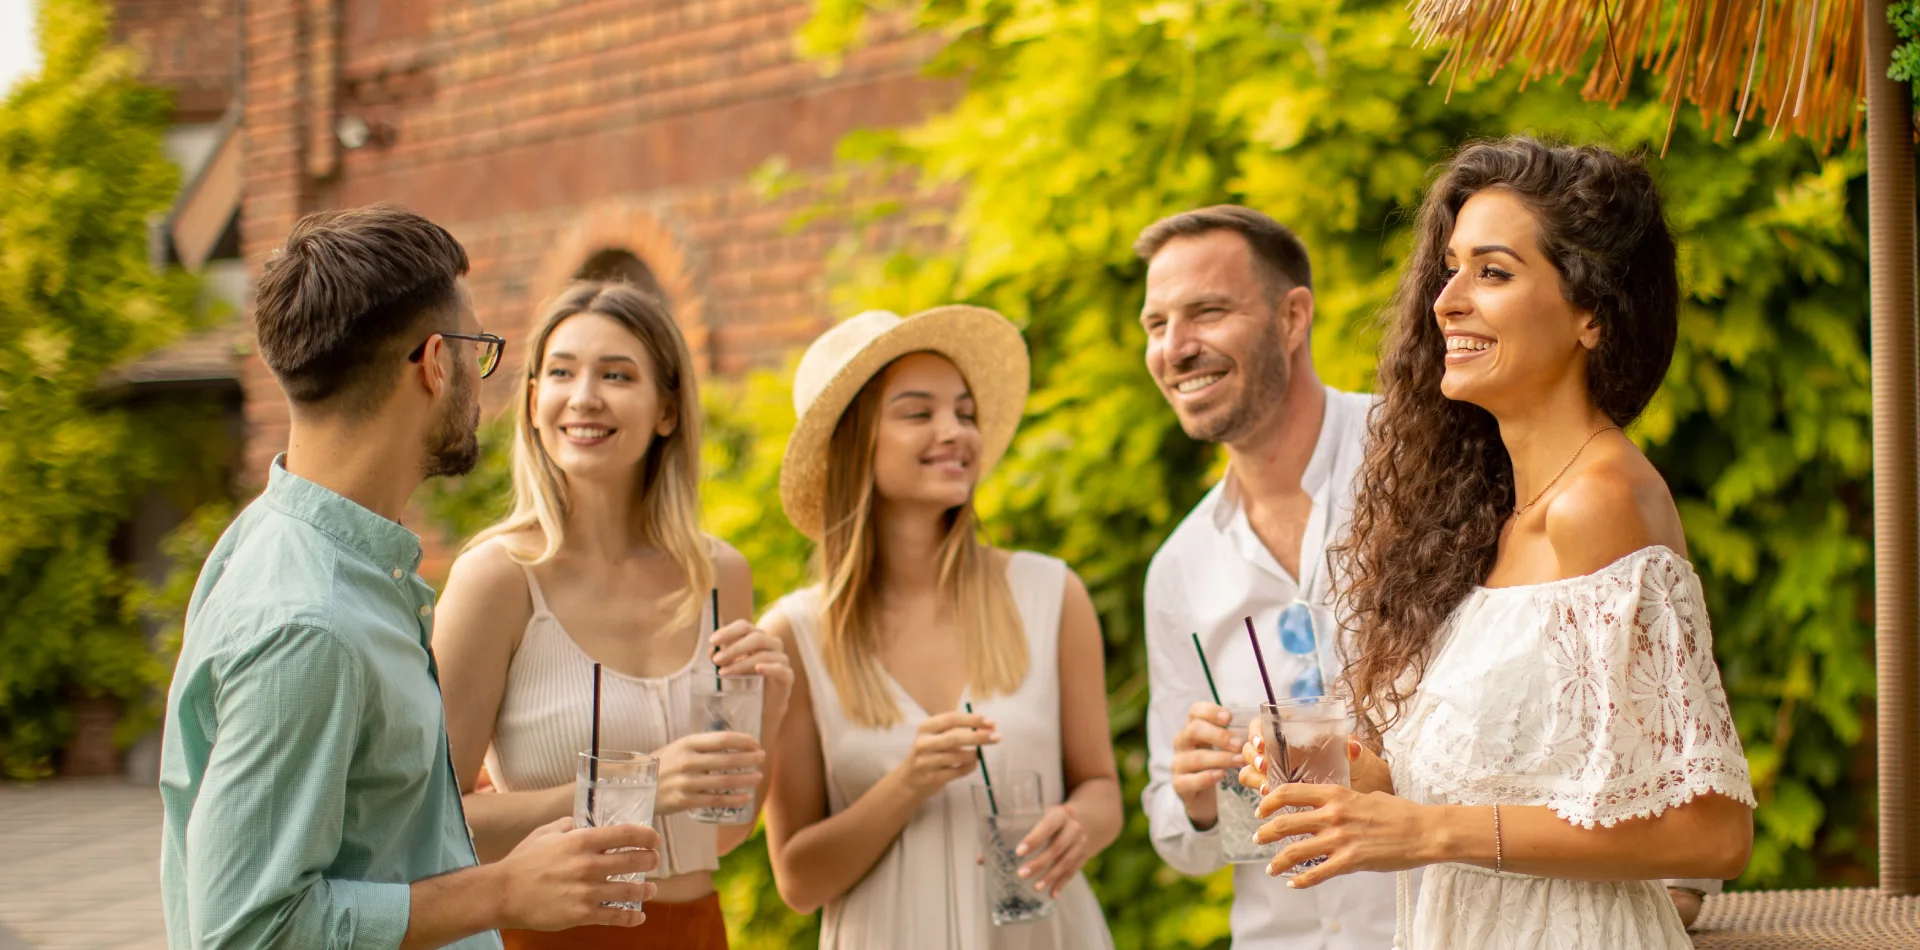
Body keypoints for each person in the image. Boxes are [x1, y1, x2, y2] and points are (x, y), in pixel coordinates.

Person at [1238, 138, 1755, 949]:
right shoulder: (1495, 523)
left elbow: (1711, 834)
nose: (1446, 300)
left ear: (1593, 313)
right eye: (1450, 268)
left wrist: (1427, 832)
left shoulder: (1604, 504)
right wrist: (1370, 787)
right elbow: (1531, 782)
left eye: (1493, 271)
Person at [159, 206, 659, 950]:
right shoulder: (308, 622)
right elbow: (246, 933)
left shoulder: (296, 551)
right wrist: (502, 890)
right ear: (434, 362)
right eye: (478, 349)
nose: (482, 380)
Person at [433, 281, 793, 950]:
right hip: (548, 937)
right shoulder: (497, 579)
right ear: (535, 401)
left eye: (617, 375)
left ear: (666, 410)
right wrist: (644, 784)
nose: (585, 395)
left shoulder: (719, 575)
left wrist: (768, 712)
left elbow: (724, 830)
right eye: (562, 372)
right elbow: (436, 821)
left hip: (695, 930)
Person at [760, 308, 1121, 949]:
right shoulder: (796, 634)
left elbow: (1102, 791)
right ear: (856, 443)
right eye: (919, 413)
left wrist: (1078, 825)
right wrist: (907, 783)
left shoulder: (1050, 593)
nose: (955, 431)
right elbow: (797, 879)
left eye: (965, 412)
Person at [1134, 205, 1402, 948]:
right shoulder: (1178, 571)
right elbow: (1179, 840)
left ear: (1292, 317)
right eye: (1156, 326)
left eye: (1207, 312)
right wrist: (1192, 799)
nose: (1175, 349)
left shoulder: (1417, 465)